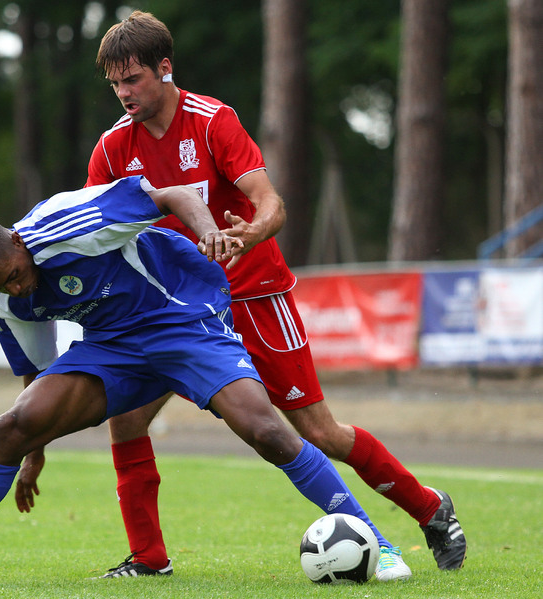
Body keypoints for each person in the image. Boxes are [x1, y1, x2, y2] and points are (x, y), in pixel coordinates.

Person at [73, 10, 464, 579]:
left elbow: (271, 203)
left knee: (319, 432)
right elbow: (84, 225)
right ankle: (149, 559)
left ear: (165, 68)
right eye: (115, 83)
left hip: (254, 297)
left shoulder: (213, 121)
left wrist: (247, 234)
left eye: (133, 79)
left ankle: (430, 509)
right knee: (127, 422)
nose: (124, 93)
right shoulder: (112, 149)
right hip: (178, 313)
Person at [0, 176, 402, 588]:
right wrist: (33, 448)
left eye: (17, 272)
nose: (18, 286)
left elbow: (172, 194)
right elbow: (35, 375)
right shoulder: (4, 299)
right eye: (2, 285)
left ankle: (378, 544)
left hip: (180, 317)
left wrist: (208, 233)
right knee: (11, 425)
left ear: (21, 241)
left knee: (266, 431)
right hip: (113, 347)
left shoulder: (71, 223)